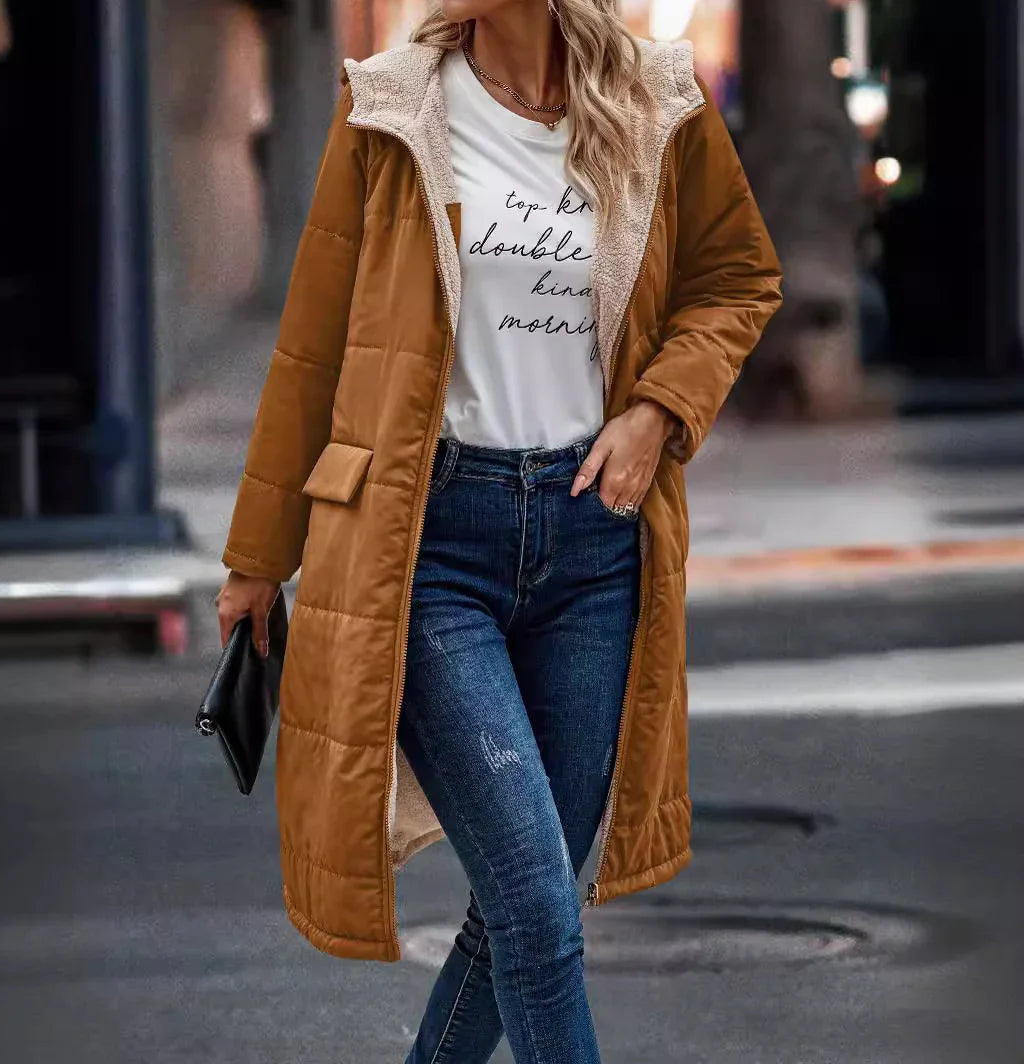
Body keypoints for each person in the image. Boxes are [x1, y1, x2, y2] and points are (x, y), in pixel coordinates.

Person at [214, 1, 782, 1060]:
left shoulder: (654, 100)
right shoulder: (389, 110)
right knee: (530, 900)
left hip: (592, 541)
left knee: (526, 906)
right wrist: (257, 554)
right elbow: (310, 348)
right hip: (428, 547)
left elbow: (735, 276)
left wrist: (656, 412)